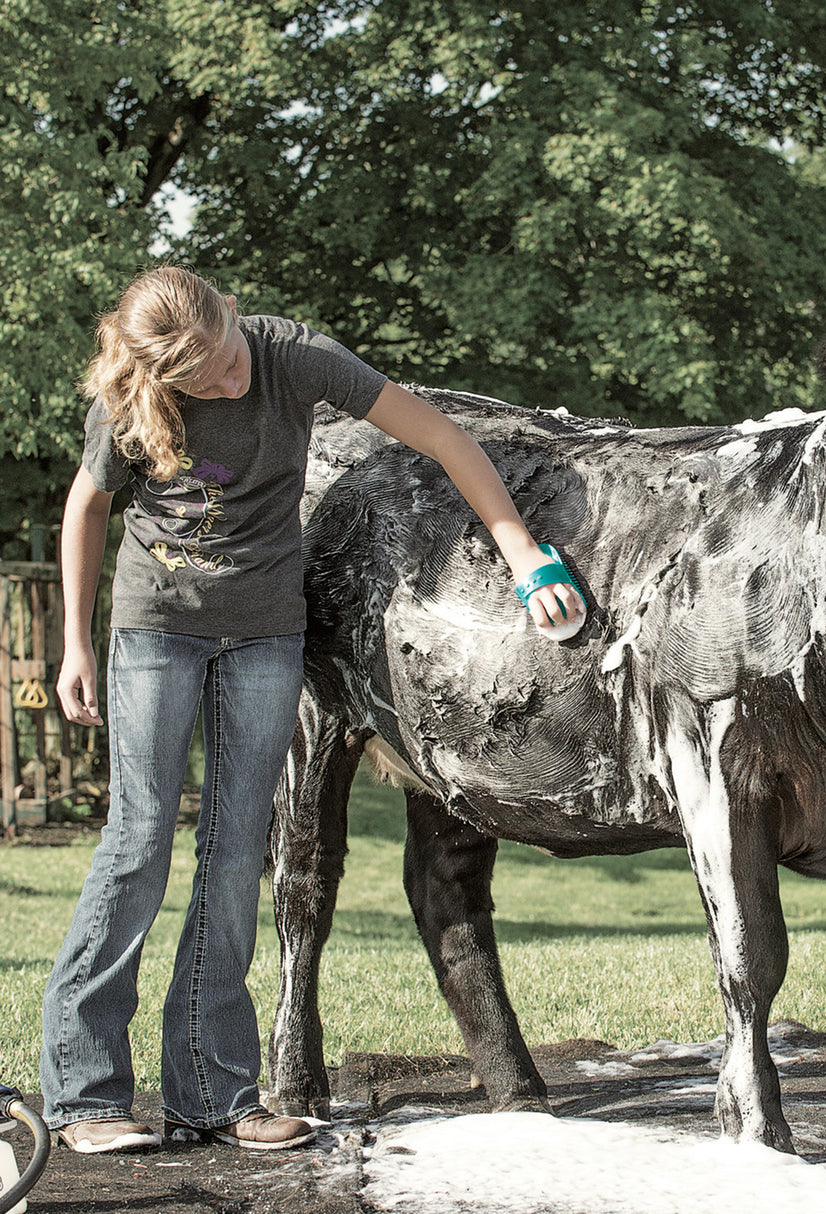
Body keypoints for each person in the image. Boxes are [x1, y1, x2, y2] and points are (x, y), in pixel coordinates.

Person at [42, 264, 586, 1155]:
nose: (231, 377)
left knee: (233, 857)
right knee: (138, 846)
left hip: (264, 637)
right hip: (157, 633)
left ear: (229, 313)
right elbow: (86, 505)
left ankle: (214, 1095)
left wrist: (523, 551)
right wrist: (74, 640)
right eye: (207, 377)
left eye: (228, 351)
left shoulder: (294, 357)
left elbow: (443, 438)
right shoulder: (129, 402)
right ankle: (85, 1096)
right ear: (164, 378)